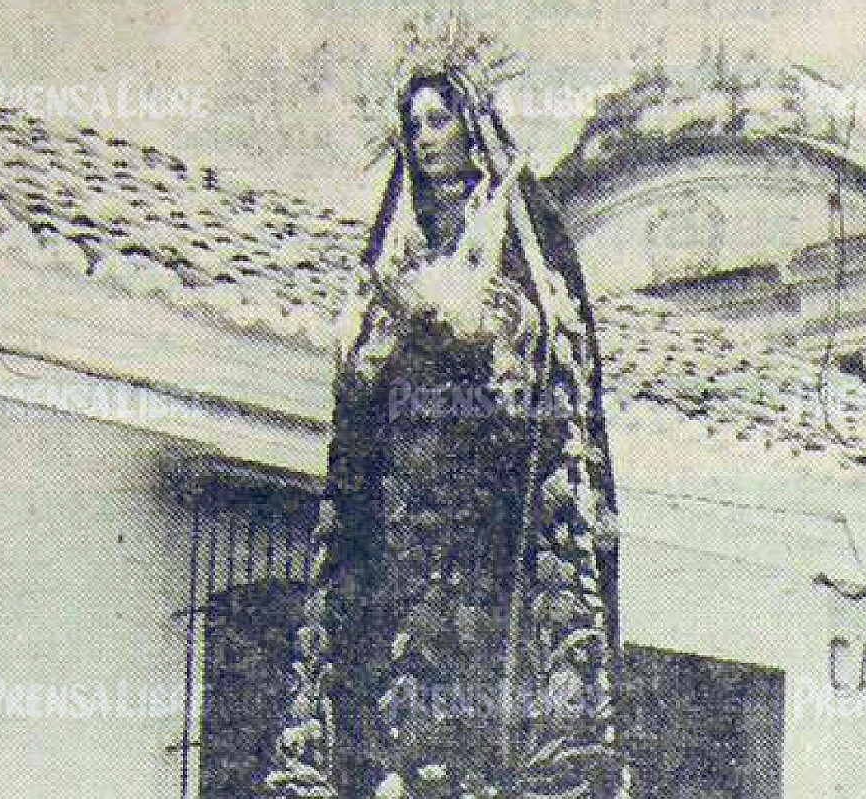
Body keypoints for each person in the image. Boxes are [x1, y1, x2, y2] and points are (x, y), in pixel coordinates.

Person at [263, 28, 625, 799]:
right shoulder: (394, 242)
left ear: (471, 123)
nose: (426, 139)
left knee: (479, 651)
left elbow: (557, 347)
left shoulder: (517, 224)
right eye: (415, 125)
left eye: (440, 120)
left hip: (492, 494)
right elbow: (357, 368)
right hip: (406, 489)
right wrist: (381, 334)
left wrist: (483, 322)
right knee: (402, 650)